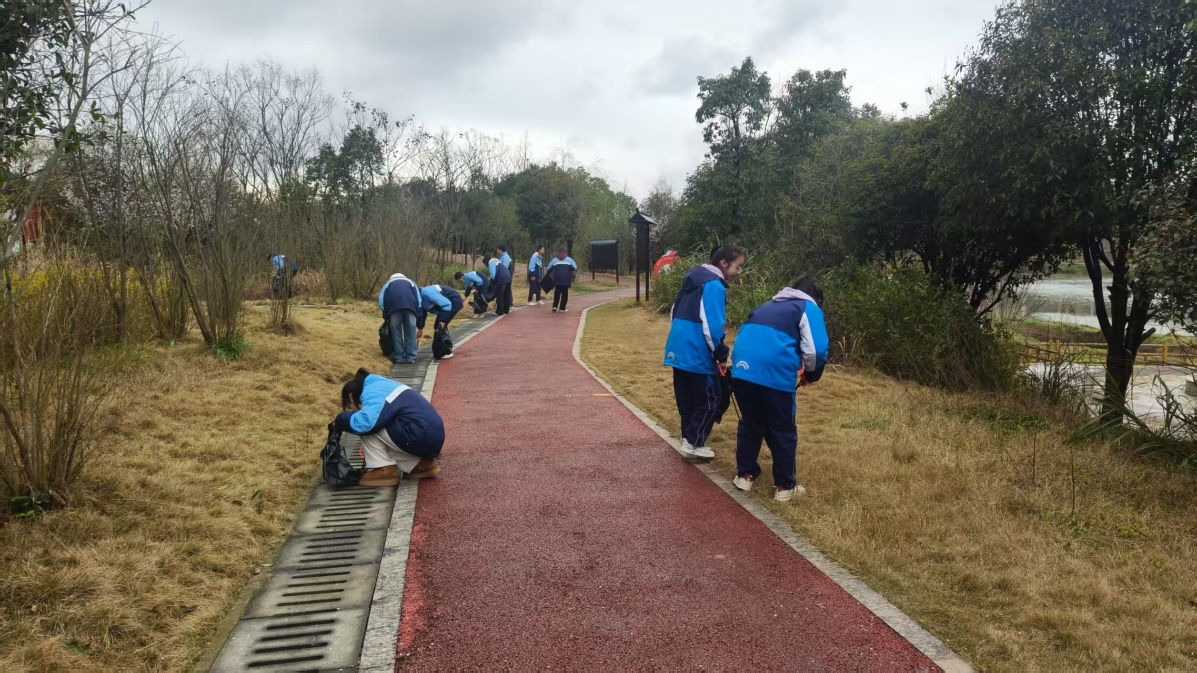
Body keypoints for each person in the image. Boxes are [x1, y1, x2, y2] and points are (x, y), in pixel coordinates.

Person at [729, 276, 828, 502]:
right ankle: (784, 486)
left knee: (750, 422)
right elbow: (816, 350)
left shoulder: (765, 306)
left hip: (742, 370)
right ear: (818, 299)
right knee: (783, 429)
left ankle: (744, 475)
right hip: (774, 371)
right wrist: (812, 374)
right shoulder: (809, 307)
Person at [662, 245, 746, 459]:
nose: (738, 273)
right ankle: (694, 442)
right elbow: (712, 326)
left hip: (678, 347)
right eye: (737, 267)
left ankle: (688, 439)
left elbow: (673, 311)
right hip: (697, 352)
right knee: (711, 398)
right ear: (724, 263)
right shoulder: (714, 285)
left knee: (687, 398)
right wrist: (721, 354)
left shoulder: (692, 277)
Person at [335, 368, 444, 487]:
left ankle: (383, 470)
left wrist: (341, 419)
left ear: (351, 397)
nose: (353, 410)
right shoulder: (382, 385)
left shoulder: (370, 392)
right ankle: (421, 465)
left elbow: (367, 423)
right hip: (430, 435)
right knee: (380, 427)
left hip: (418, 434)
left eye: (350, 407)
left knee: (366, 427)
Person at [379, 272, 422, 365]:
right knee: (411, 332)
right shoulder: (411, 282)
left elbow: (381, 301)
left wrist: (385, 313)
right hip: (410, 308)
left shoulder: (388, 284)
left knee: (396, 333)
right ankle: (411, 357)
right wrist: (418, 312)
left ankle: (399, 358)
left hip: (393, 309)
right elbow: (419, 300)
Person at [417, 284, 463, 360]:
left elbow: (447, 304)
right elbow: (422, 313)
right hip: (445, 305)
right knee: (438, 326)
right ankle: (440, 351)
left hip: (453, 302)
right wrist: (420, 328)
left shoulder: (429, 294)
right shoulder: (420, 298)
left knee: (440, 326)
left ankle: (446, 351)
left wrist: (443, 320)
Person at [497, 245, 515, 313]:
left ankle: (510, 303)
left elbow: (504, 267)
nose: (497, 251)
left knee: (507, 288)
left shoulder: (505, 257)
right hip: (505, 274)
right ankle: (506, 304)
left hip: (507, 274)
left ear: (500, 250)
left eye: (497, 249)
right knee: (505, 289)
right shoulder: (501, 256)